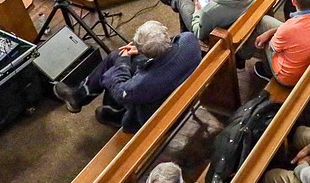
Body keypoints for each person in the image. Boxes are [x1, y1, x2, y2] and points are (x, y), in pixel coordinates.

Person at [54, 20, 201, 131]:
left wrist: (123, 61)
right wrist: (129, 55)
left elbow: (120, 90)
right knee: (115, 56)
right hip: (179, 81)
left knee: (116, 64)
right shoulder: (189, 40)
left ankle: (114, 113)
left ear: (145, 52)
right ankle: (79, 96)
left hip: (153, 112)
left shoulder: (142, 83)